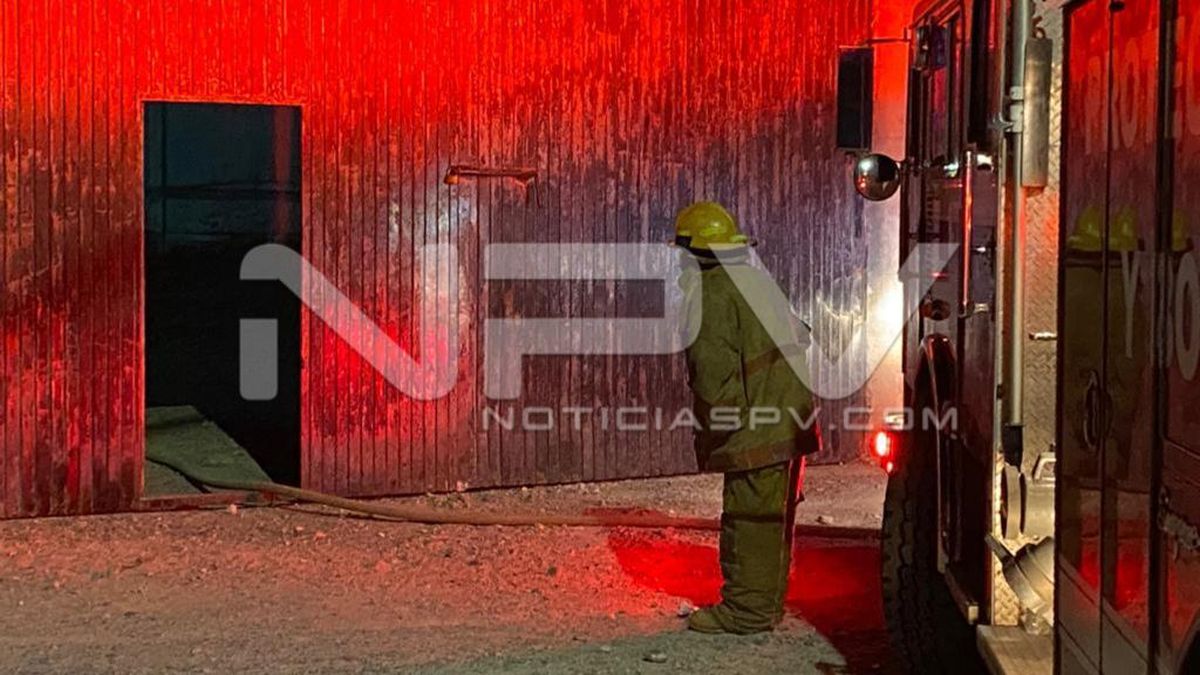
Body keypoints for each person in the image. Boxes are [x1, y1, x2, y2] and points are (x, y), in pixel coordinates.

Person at [674, 201, 821, 634]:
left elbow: (713, 378)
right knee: (772, 521)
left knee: (749, 519)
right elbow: (801, 336)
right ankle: (765, 605)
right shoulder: (756, 282)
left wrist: (722, 438)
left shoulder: (711, 294)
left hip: (757, 430)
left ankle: (746, 612)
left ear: (693, 252)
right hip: (791, 421)